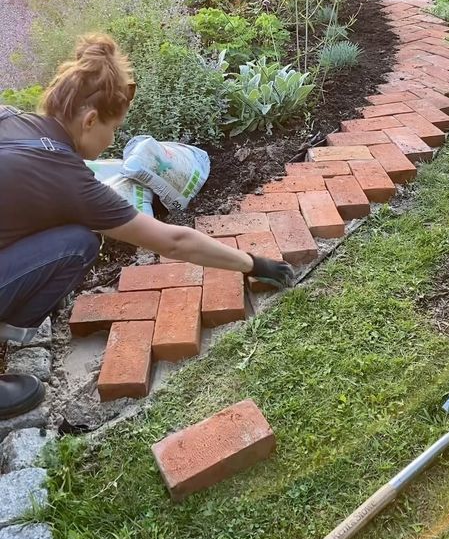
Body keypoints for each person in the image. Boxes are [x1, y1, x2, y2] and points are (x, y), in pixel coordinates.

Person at [0, 34, 293, 420]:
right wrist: (254, 264)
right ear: (89, 120)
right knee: (79, 243)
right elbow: (173, 241)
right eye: (114, 129)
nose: (113, 140)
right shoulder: (68, 179)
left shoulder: (11, 119)